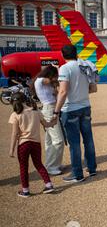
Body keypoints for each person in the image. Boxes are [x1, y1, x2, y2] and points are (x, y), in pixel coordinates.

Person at [53, 45, 98, 183]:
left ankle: (77, 174)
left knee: (74, 143)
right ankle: (92, 168)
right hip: (85, 106)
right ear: (75, 53)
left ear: (62, 55)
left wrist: (56, 111)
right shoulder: (84, 66)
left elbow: (63, 91)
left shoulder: (65, 68)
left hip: (70, 108)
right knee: (88, 139)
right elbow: (93, 88)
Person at [8, 92, 56, 197]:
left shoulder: (16, 114)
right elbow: (46, 124)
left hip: (23, 145)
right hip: (36, 143)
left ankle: (25, 190)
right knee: (39, 164)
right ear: (25, 99)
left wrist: (11, 149)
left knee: (23, 167)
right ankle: (49, 184)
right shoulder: (36, 111)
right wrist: (53, 122)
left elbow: (15, 134)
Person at [31, 65, 65, 176]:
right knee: (58, 140)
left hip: (50, 109)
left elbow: (56, 91)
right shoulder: (40, 80)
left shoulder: (46, 83)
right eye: (54, 75)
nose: (56, 78)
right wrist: (60, 71)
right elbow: (54, 81)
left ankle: (52, 164)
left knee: (50, 141)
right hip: (49, 110)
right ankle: (52, 167)